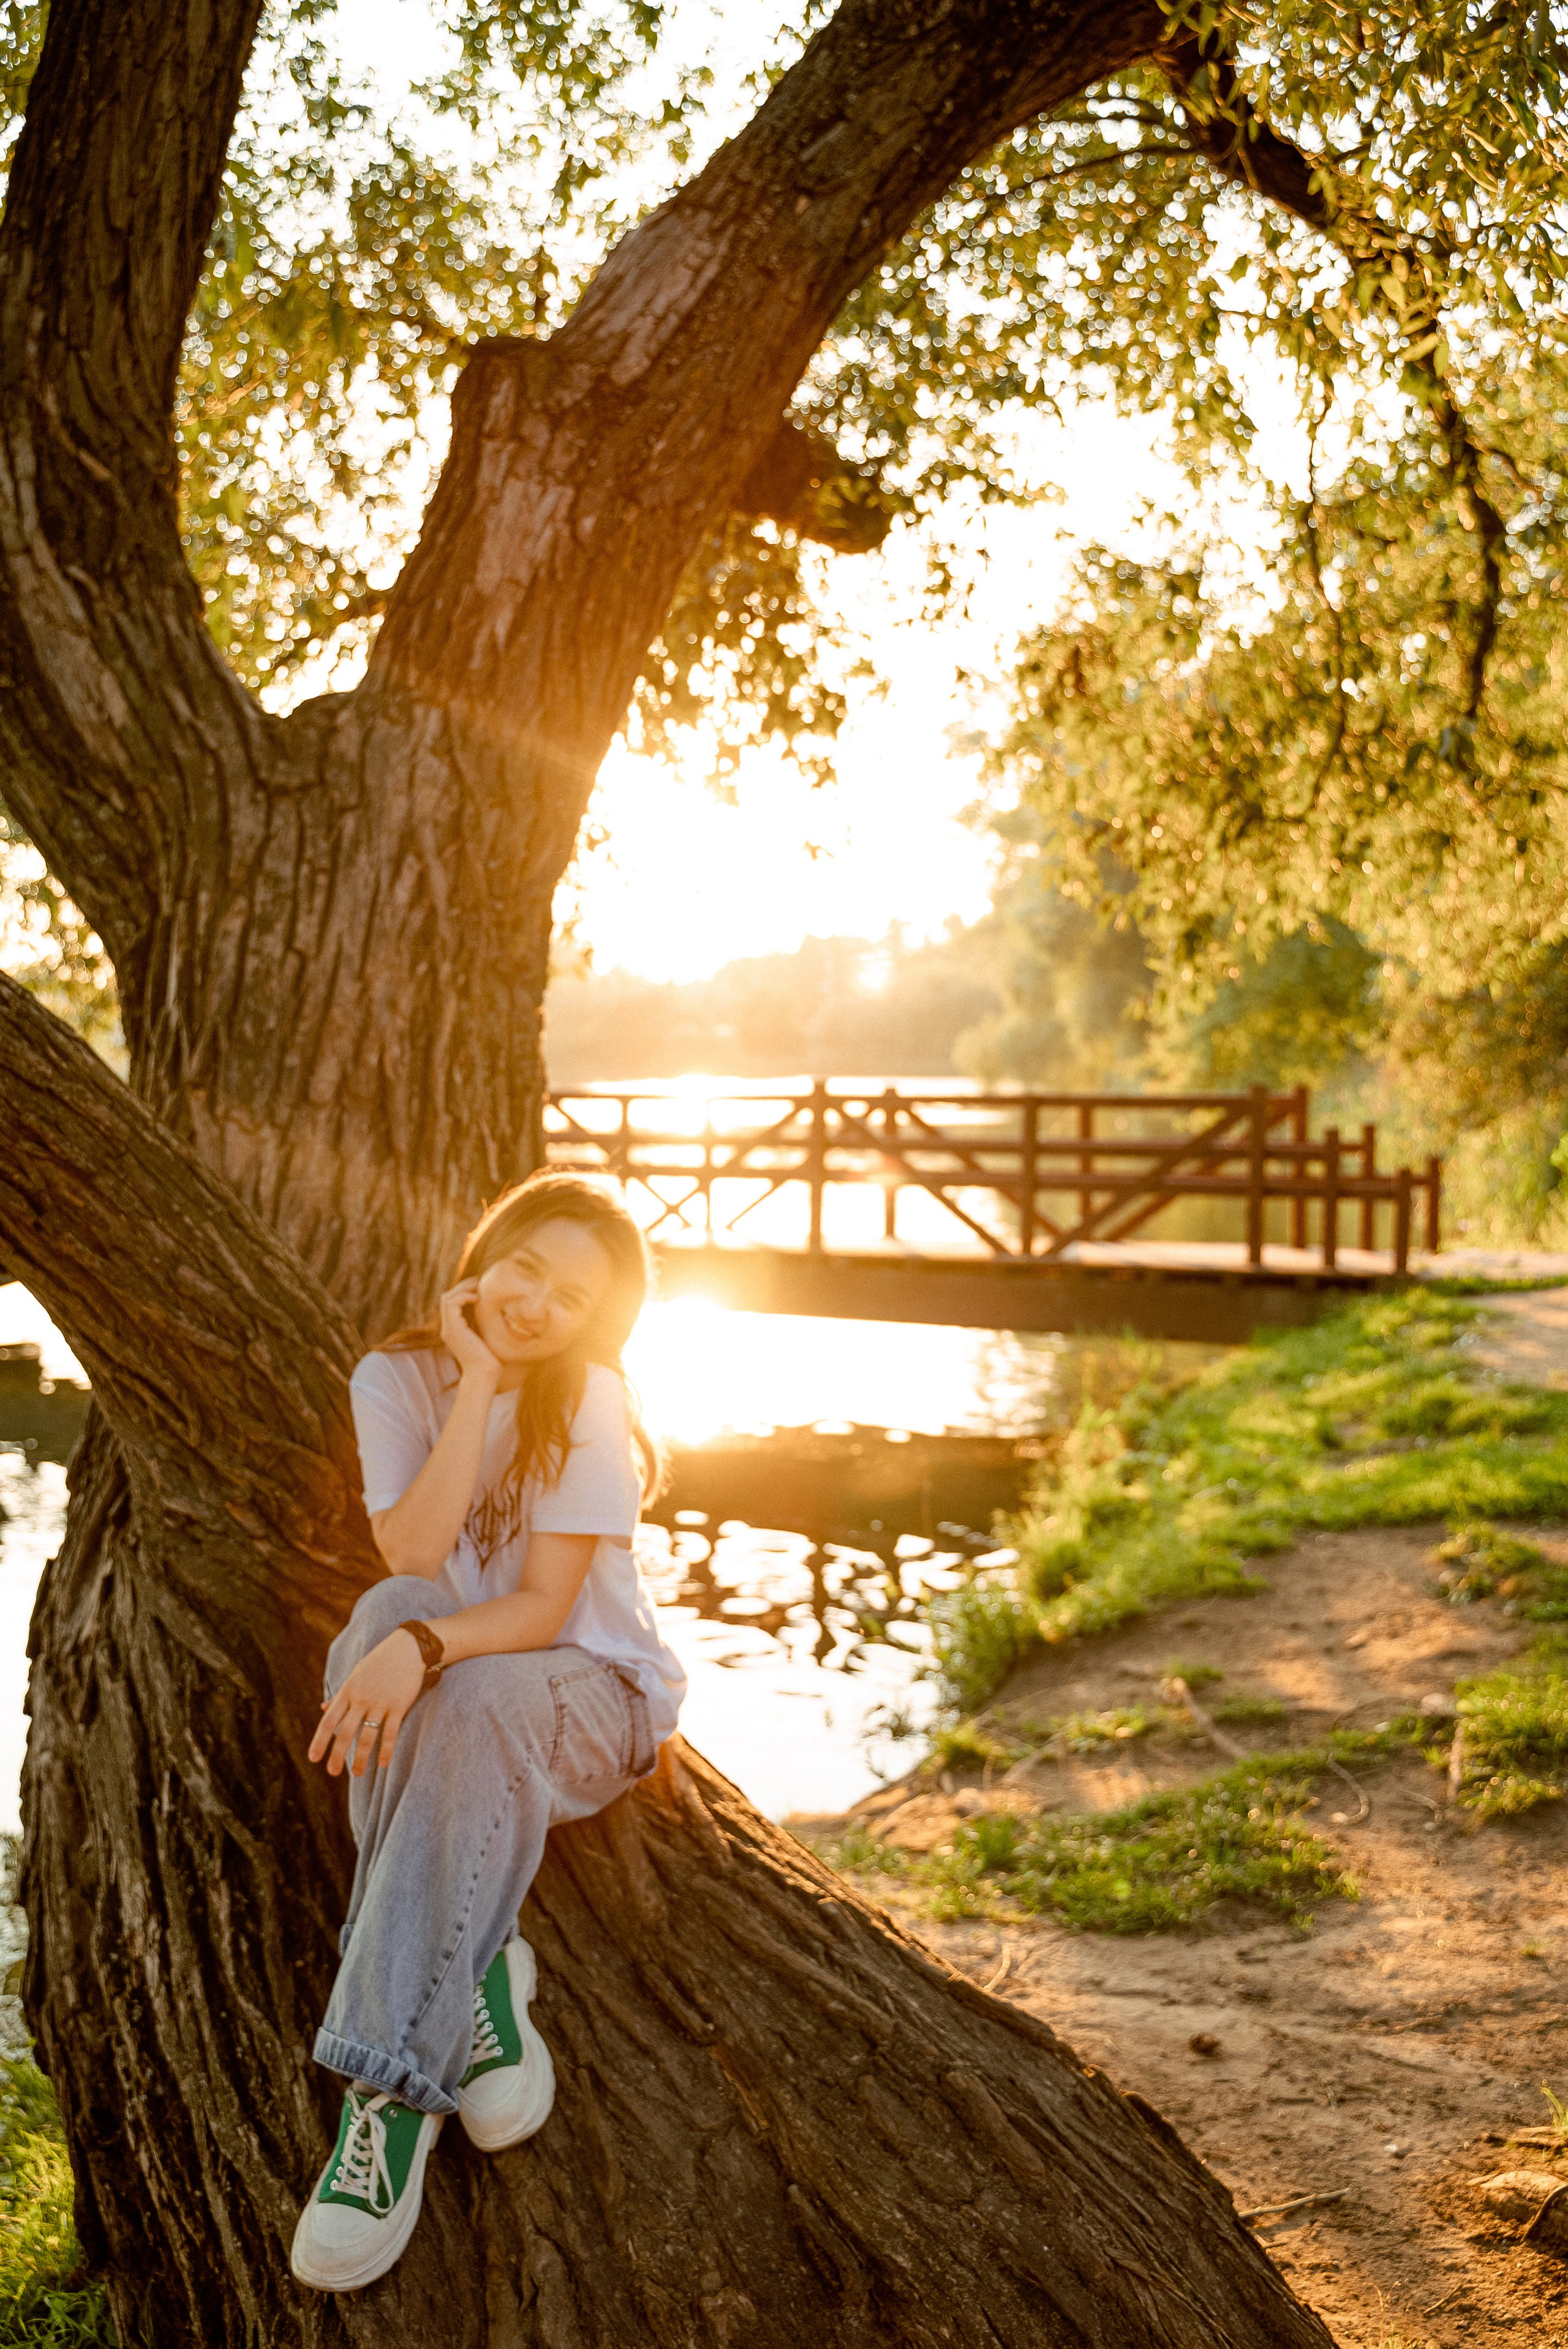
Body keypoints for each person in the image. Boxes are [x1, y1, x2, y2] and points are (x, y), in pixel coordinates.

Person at [289, 1172, 685, 2293]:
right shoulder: (396, 1378)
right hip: (468, 1686)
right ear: (488, 1254)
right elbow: (413, 1560)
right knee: (383, 1615)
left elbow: (545, 1615)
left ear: (595, 1326)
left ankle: (388, 2098)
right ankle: (477, 1970)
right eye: (527, 1269)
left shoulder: (591, 1398)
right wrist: (474, 1381)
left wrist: (419, 1654)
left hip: (589, 1697)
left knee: (432, 1663)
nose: (538, 1304)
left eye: (571, 1299)